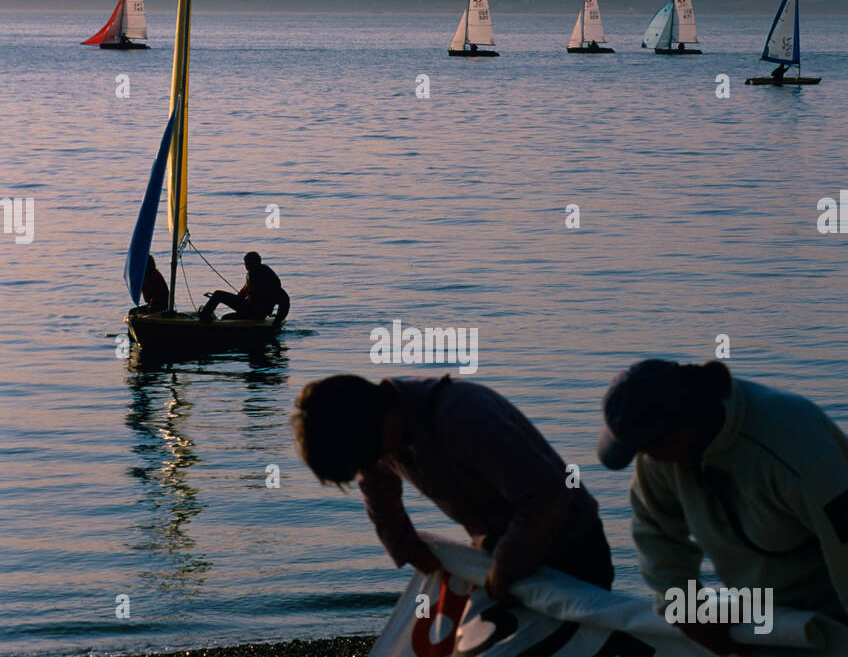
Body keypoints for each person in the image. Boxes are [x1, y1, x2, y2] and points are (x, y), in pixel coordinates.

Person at [293, 374, 614, 599]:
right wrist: (405, 545)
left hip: (573, 549)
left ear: (379, 420)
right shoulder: (379, 439)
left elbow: (546, 494)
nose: (377, 463)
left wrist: (506, 565)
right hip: (495, 551)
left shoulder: (463, 415)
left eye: (372, 455)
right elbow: (377, 489)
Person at [596, 358, 848, 631]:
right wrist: (685, 610)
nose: (647, 458)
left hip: (831, 612)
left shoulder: (797, 451)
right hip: (759, 615)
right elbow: (654, 530)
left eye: (649, 447)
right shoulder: (660, 454)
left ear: (686, 423)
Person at [199, 252, 289, 327]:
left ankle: (204, 316)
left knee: (218, 294)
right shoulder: (252, 274)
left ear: (257, 263)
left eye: (248, 263)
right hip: (250, 310)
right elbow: (242, 294)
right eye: (246, 263)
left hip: (255, 313)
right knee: (226, 318)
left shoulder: (266, 276)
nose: (246, 266)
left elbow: (285, 301)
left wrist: (277, 321)